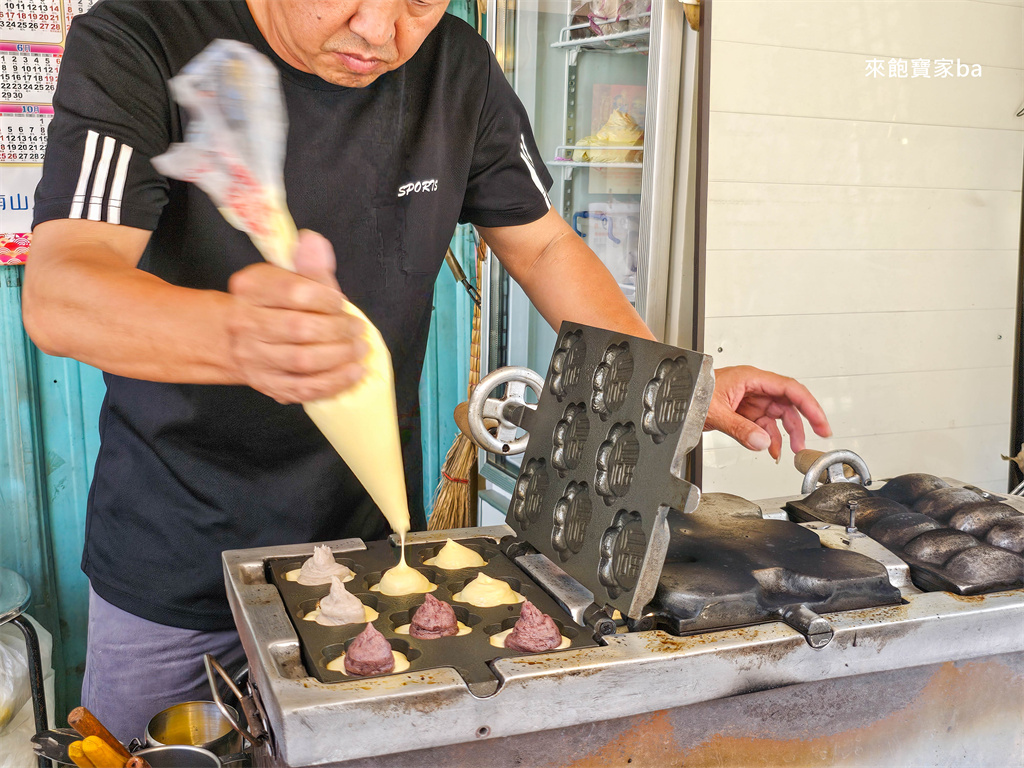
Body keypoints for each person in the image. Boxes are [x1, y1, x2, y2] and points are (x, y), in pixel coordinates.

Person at [21, 0, 830, 742]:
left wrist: (673, 384)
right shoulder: (140, 37)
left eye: (416, 0)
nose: (378, 32)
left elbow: (543, 243)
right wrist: (232, 335)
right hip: (175, 565)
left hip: (373, 554)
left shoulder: (455, 67)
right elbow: (62, 289)